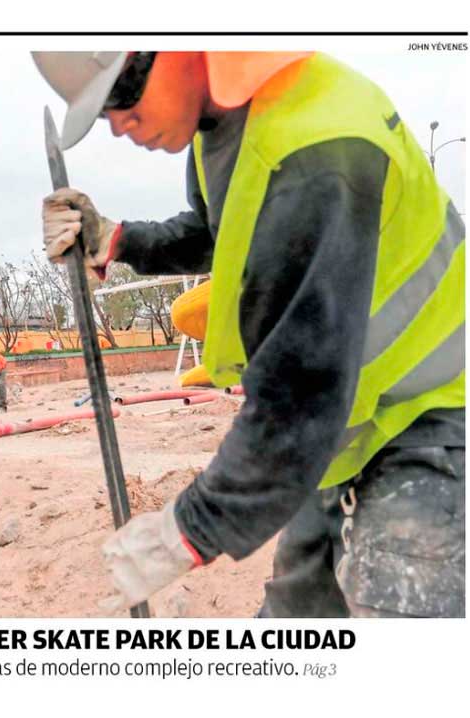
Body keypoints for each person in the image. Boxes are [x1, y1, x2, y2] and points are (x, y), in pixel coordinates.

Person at [34, 51, 465, 617]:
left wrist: (188, 529)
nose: (118, 123)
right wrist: (116, 239)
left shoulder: (317, 148)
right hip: (347, 428)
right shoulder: (225, 124)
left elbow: (298, 398)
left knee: (398, 617)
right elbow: (220, 230)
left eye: (121, 94)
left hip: (431, 416)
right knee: (296, 614)